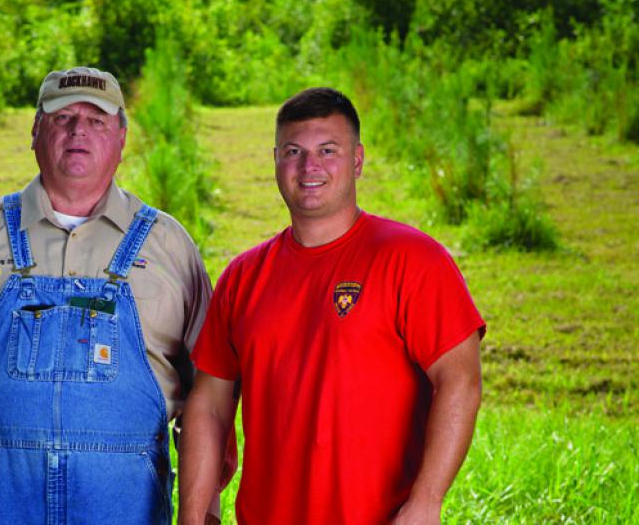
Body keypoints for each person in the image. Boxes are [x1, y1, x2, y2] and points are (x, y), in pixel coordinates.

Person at [0, 66, 219, 525]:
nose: (78, 130)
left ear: (122, 138)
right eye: (62, 118)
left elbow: (211, 390)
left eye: (96, 120)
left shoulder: (169, 245)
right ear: (35, 131)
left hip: (128, 508)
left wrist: (204, 510)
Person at [179, 87, 485, 524]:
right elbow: (208, 406)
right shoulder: (243, 278)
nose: (310, 167)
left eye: (328, 150)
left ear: (357, 160)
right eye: (293, 151)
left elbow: (460, 381)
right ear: (276, 161)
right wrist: (193, 516)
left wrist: (426, 503)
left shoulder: (413, 259)